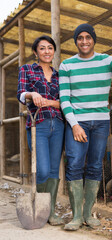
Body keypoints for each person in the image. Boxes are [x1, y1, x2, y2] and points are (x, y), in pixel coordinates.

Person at [59, 24, 112, 231]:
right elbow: (64, 99)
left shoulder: (107, 60)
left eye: (88, 37)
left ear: (94, 39)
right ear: (76, 41)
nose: (84, 41)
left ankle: (88, 214)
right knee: (75, 163)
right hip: (77, 122)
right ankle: (77, 216)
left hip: (101, 122)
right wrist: (75, 125)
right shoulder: (66, 65)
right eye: (80, 38)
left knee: (96, 165)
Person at [17, 35, 65, 226]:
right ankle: (37, 203)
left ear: (54, 51)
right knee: (43, 169)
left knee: (54, 169)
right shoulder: (27, 69)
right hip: (39, 124)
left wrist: (50, 102)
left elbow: (65, 101)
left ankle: (50, 212)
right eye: (42, 48)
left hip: (59, 124)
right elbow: (21, 94)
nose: (46, 51)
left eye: (50, 48)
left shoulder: (60, 75)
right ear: (36, 52)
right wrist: (32, 94)